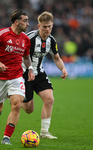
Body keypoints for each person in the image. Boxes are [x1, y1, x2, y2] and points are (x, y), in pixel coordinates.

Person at [0, 9, 35, 145]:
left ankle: (6, 137)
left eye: (28, 21)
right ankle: (0, 104)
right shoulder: (2, 34)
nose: (28, 24)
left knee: (17, 105)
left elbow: (26, 57)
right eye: (25, 21)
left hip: (16, 77)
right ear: (16, 22)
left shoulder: (25, 39)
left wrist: (30, 69)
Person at [22, 11, 68, 139]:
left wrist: (63, 69)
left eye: (49, 26)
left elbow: (57, 58)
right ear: (38, 26)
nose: (47, 29)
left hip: (39, 73)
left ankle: (44, 132)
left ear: (52, 25)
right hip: (25, 74)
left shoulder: (51, 40)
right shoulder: (29, 38)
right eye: (44, 27)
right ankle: (15, 95)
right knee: (28, 109)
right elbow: (20, 55)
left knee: (49, 99)